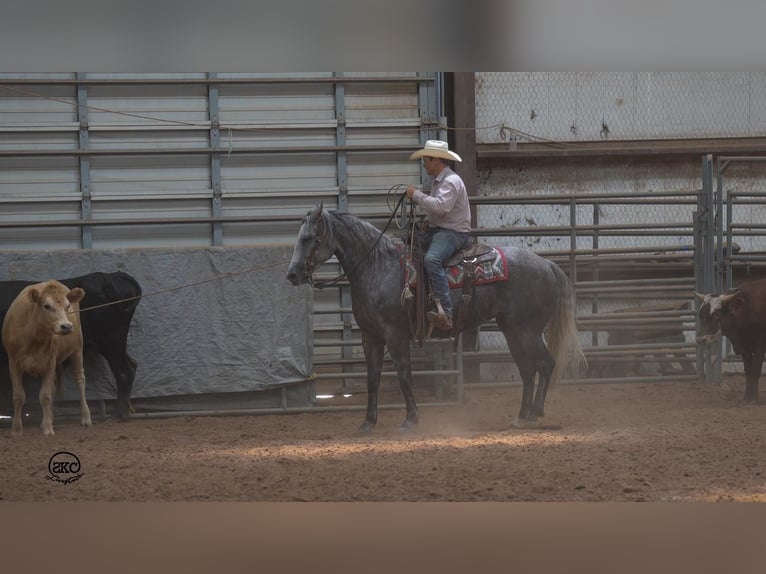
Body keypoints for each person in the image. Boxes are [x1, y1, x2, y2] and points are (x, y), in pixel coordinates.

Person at [406, 140, 471, 331]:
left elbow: (441, 207)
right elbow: (438, 209)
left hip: (454, 232)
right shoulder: (441, 181)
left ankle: (447, 312)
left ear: (437, 161)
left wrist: (416, 195)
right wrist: (428, 222)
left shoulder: (450, 181)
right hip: (442, 229)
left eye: (426, 160)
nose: (424, 163)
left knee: (432, 259)